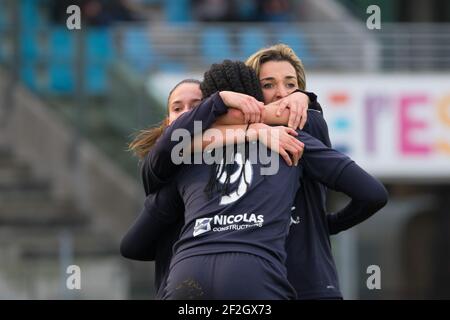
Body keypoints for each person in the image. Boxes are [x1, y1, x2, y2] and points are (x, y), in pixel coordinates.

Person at [121, 60, 388, 299]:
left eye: (196, 106)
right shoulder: (290, 140)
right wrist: (328, 225)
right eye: (180, 108)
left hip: (188, 272)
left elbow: (133, 245)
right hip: (256, 272)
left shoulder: (183, 157)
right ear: (255, 98)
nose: (283, 95)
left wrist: (302, 100)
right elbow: (373, 193)